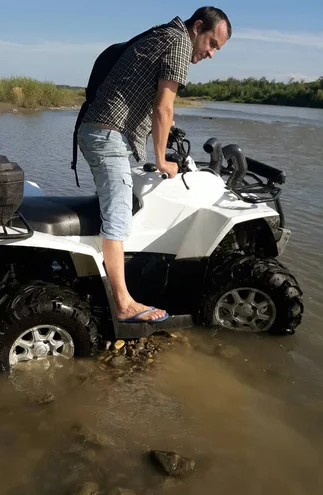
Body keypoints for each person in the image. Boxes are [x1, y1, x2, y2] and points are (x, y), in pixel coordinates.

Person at [77, 6, 231, 322]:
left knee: (114, 209)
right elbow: (164, 108)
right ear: (198, 27)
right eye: (212, 44)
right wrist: (161, 160)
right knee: (118, 218)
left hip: (100, 131)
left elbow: (145, 96)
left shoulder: (163, 34)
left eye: (217, 49)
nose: (211, 53)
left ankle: (100, 279)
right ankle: (123, 304)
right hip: (108, 136)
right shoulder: (179, 43)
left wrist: (166, 134)